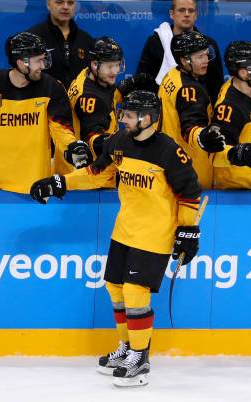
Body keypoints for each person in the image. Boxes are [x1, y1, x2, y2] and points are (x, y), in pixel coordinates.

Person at [30, 91, 202, 387]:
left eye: (130, 115)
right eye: (123, 114)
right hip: (124, 229)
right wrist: (61, 182)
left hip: (154, 233)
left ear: (148, 118)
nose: (123, 119)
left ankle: (140, 356)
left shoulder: (169, 151)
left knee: (136, 293)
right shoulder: (120, 142)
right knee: (115, 287)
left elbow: (190, 194)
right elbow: (96, 174)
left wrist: (188, 231)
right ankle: (126, 347)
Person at [0, 32, 90, 194]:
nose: (43, 65)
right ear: (21, 63)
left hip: (34, 188)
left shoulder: (52, 88)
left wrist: (71, 146)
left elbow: (61, 130)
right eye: (38, 61)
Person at [158, 31, 226, 189]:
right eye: (199, 57)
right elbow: (190, 127)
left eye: (206, 54)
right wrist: (202, 136)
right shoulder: (190, 89)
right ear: (184, 60)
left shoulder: (172, 75)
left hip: (169, 160)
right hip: (191, 168)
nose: (206, 60)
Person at [53, 36, 124, 182]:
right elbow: (92, 136)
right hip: (87, 175)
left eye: (118, 65)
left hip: (75, 169)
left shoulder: (88, 75)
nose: (115, 71)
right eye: (110, 66)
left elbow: (107, 96)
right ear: (94, 64)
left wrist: (126, 88)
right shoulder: (89, 97)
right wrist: (113, 144)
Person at [211, 41, 251, 190]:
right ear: (243, 73)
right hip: (236, 188)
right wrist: (238, 154)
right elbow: (216, 153)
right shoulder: (228, 107)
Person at [136, 0, 224, 102]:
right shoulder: (155, 42)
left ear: (196, 15)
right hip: (162, 109)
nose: (186, 14)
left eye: (191, 11)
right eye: (181, 10)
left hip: (199, 108)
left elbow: (216, 86)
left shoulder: (209, 44)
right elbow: (144, 80)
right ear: (171, 14)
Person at [27, 0, 94, 88]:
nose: (66, 7)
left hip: (77, 100)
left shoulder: (85, 39)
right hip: (44, 99)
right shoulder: (33, 37)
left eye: (70, 3)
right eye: (59, 2)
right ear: (48, 4)